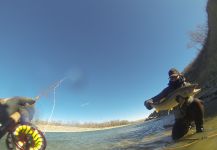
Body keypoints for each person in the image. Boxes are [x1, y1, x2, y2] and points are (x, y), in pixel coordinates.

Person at [144, 68, 204, 140]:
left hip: (190, 113)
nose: (173, 78)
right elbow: (156, 98)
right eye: (171, 77)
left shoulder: (187, 85)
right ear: (169, 78)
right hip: (180, 118)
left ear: (179, 75)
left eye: (175, 76)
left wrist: (185, 99)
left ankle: (200, 129)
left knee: (197, 102)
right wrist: (147, 102)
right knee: (175, 138)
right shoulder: (167, 90)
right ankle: (188, 126)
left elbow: (191, 97)